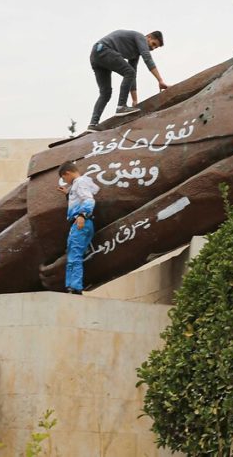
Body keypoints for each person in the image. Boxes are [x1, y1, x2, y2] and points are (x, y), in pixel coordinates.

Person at [88, 30, 168, 131]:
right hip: (104, 49)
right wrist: (160, 80)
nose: (152, 48)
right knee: (129, 72)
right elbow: (147, 58)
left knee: (106, 92)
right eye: (153, 44)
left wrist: (135, 101)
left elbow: (132, 75)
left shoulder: (135, 54)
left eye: (155, 48)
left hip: (96, 54)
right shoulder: (140, 37)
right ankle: (121, 106)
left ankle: (92, 125)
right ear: (148, 37)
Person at [57, 161, 101, 295]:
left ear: (67, 173)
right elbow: (80, 199)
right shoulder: (79, 184)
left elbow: (88, 200)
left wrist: (82, 215)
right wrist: (68, 195)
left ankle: (75, 287)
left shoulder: (80, 182)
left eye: (64, 178)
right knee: (74, 254)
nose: (65, 181)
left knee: (74, 255)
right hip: (83, 223)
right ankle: (72, 286)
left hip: (80, 222)